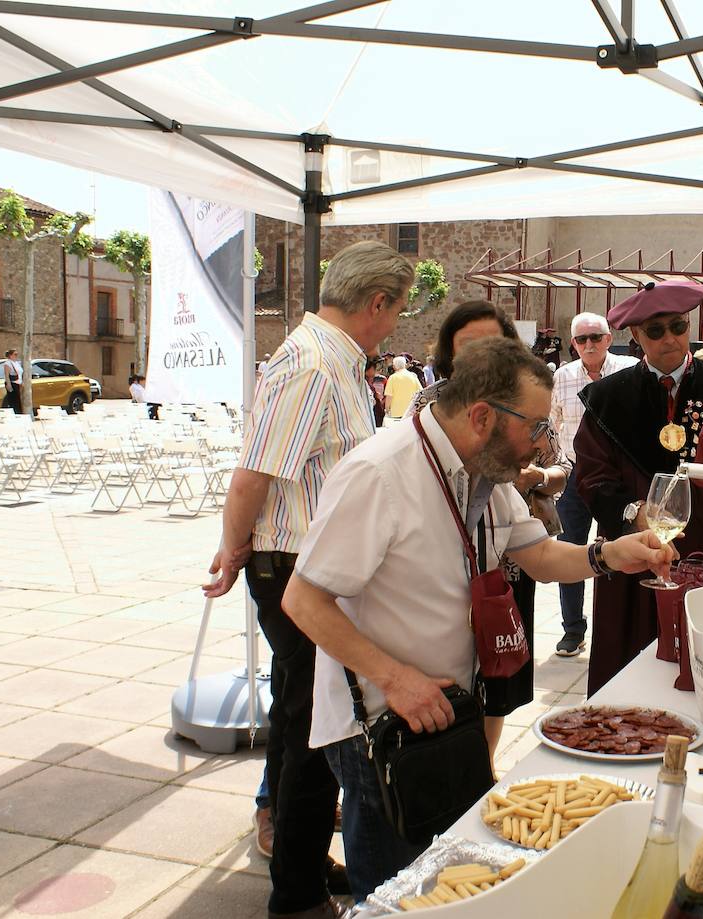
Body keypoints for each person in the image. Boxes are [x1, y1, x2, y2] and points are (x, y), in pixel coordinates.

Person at [283, 337, 675, 898]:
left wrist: (611, 553)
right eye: (536, 427)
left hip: (447, 715)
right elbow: (303, 600)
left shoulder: (486, 469)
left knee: (447, 883)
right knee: (394, 894)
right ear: (483, 415)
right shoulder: (379, 472)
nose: (543, 444)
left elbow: (537, 555)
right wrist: (397, 682)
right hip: (381, 726)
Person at [203, 240, 414, 919]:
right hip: (296, 568)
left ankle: (303, 864)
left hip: (314, 565)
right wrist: (234, 551)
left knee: (316, 725)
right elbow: (252, 477)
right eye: (395, 311)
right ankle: (295, 896)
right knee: (309, 732)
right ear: (375, 303)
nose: (394, 324)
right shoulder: (314, 365)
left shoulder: (333, 359)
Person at [572, 280, 703, 693]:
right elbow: (591, 476)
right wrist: (634, 515)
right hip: (635, 549)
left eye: (678, 326)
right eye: (655, 330)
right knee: (631, 666)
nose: (669, 337)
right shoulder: (607, 398)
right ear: (635, 335)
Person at [406, 300, 570, 762]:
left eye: (494, 344)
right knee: (457, 662)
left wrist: (533, 476)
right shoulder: (423, 415)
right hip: (454, 558)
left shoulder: (526, 406)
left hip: (508, 547)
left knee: (499, 667)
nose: (482, 356)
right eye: (469, 346)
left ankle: (484, 764)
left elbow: (557, 464)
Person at [549, 312, 639, 657]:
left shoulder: (629, 370)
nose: (589, 344)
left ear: (608, 338)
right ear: (573, 344)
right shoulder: (563, 377)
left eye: (595, 337)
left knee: (621, 550)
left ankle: (616, 628)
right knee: (570, 551)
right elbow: (551, 425)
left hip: (618, 480)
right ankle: (573, 630)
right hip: (574, 478)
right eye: (581, 339)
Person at [384, 355, 421, 419]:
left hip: (396, 412)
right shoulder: (413, 376)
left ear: (395, 366)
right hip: (410, 412)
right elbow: (420, 392)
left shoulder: (392, 378)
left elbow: (389, 396)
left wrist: (387, 409)